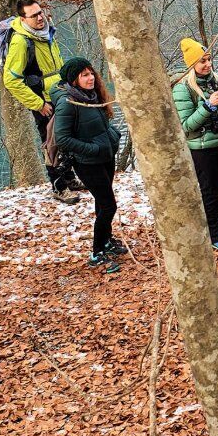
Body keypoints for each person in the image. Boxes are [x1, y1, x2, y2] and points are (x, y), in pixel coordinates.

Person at [2, 0, 81, 204]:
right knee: (51, 143)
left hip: (60, 94)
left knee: (67, 138)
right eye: (34, 15)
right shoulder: (21, 41)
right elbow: (10, 80)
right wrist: (38, 104)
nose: (40, 17)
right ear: (23, 18)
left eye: (40, 12)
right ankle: (58, 187)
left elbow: (57, 65)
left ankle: (70, 179)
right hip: (43, 100)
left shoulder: (47, 32)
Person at [53, 58, 125, 274]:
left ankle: (106, 241)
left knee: (103, 203)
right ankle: (97, 253)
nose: (91, 77)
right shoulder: (68, 103)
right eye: (84, 75)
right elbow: (62, 139)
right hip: (88, 162)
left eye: (91, 73)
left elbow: (101, 125)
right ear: (73, 80)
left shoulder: (92, 97)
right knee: (109, 205)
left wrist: (113, 136)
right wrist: (93, 149)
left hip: (105, 157)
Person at [173, 38, 218, 254]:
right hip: (202, 149)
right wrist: (209, 105)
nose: (207, 65)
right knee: (209, 191)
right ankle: (214, 233)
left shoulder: (215, 80)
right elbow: (186, 125)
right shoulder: (183, 88)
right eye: (202, 61)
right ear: (191, 64)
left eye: (209, 59)